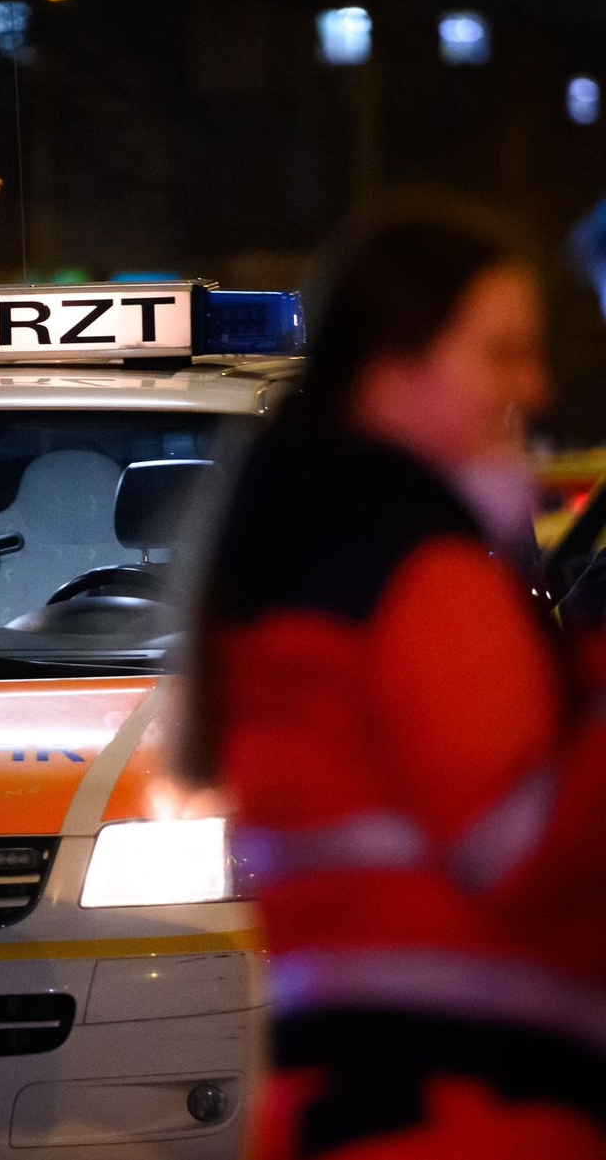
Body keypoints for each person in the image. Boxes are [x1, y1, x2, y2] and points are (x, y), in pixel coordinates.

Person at [188, 206, 606, 1157]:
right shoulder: (423, 572)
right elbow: (531, 852)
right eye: (501, 355)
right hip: (480, 1110)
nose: (532, 389)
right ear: (394, 370)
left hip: (353, 1103)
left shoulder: (288, 563)